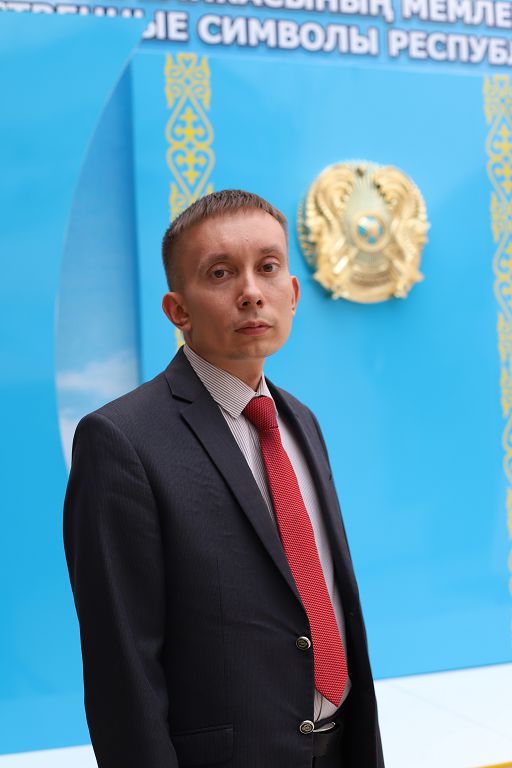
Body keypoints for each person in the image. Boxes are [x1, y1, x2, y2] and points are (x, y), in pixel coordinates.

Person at [63, 189, 384, 768]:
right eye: (220, 273)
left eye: (268, 267)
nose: (251, 292)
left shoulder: (300, 421)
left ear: (293, 293)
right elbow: (122, 671)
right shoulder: (121, 441)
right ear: (177, 310)